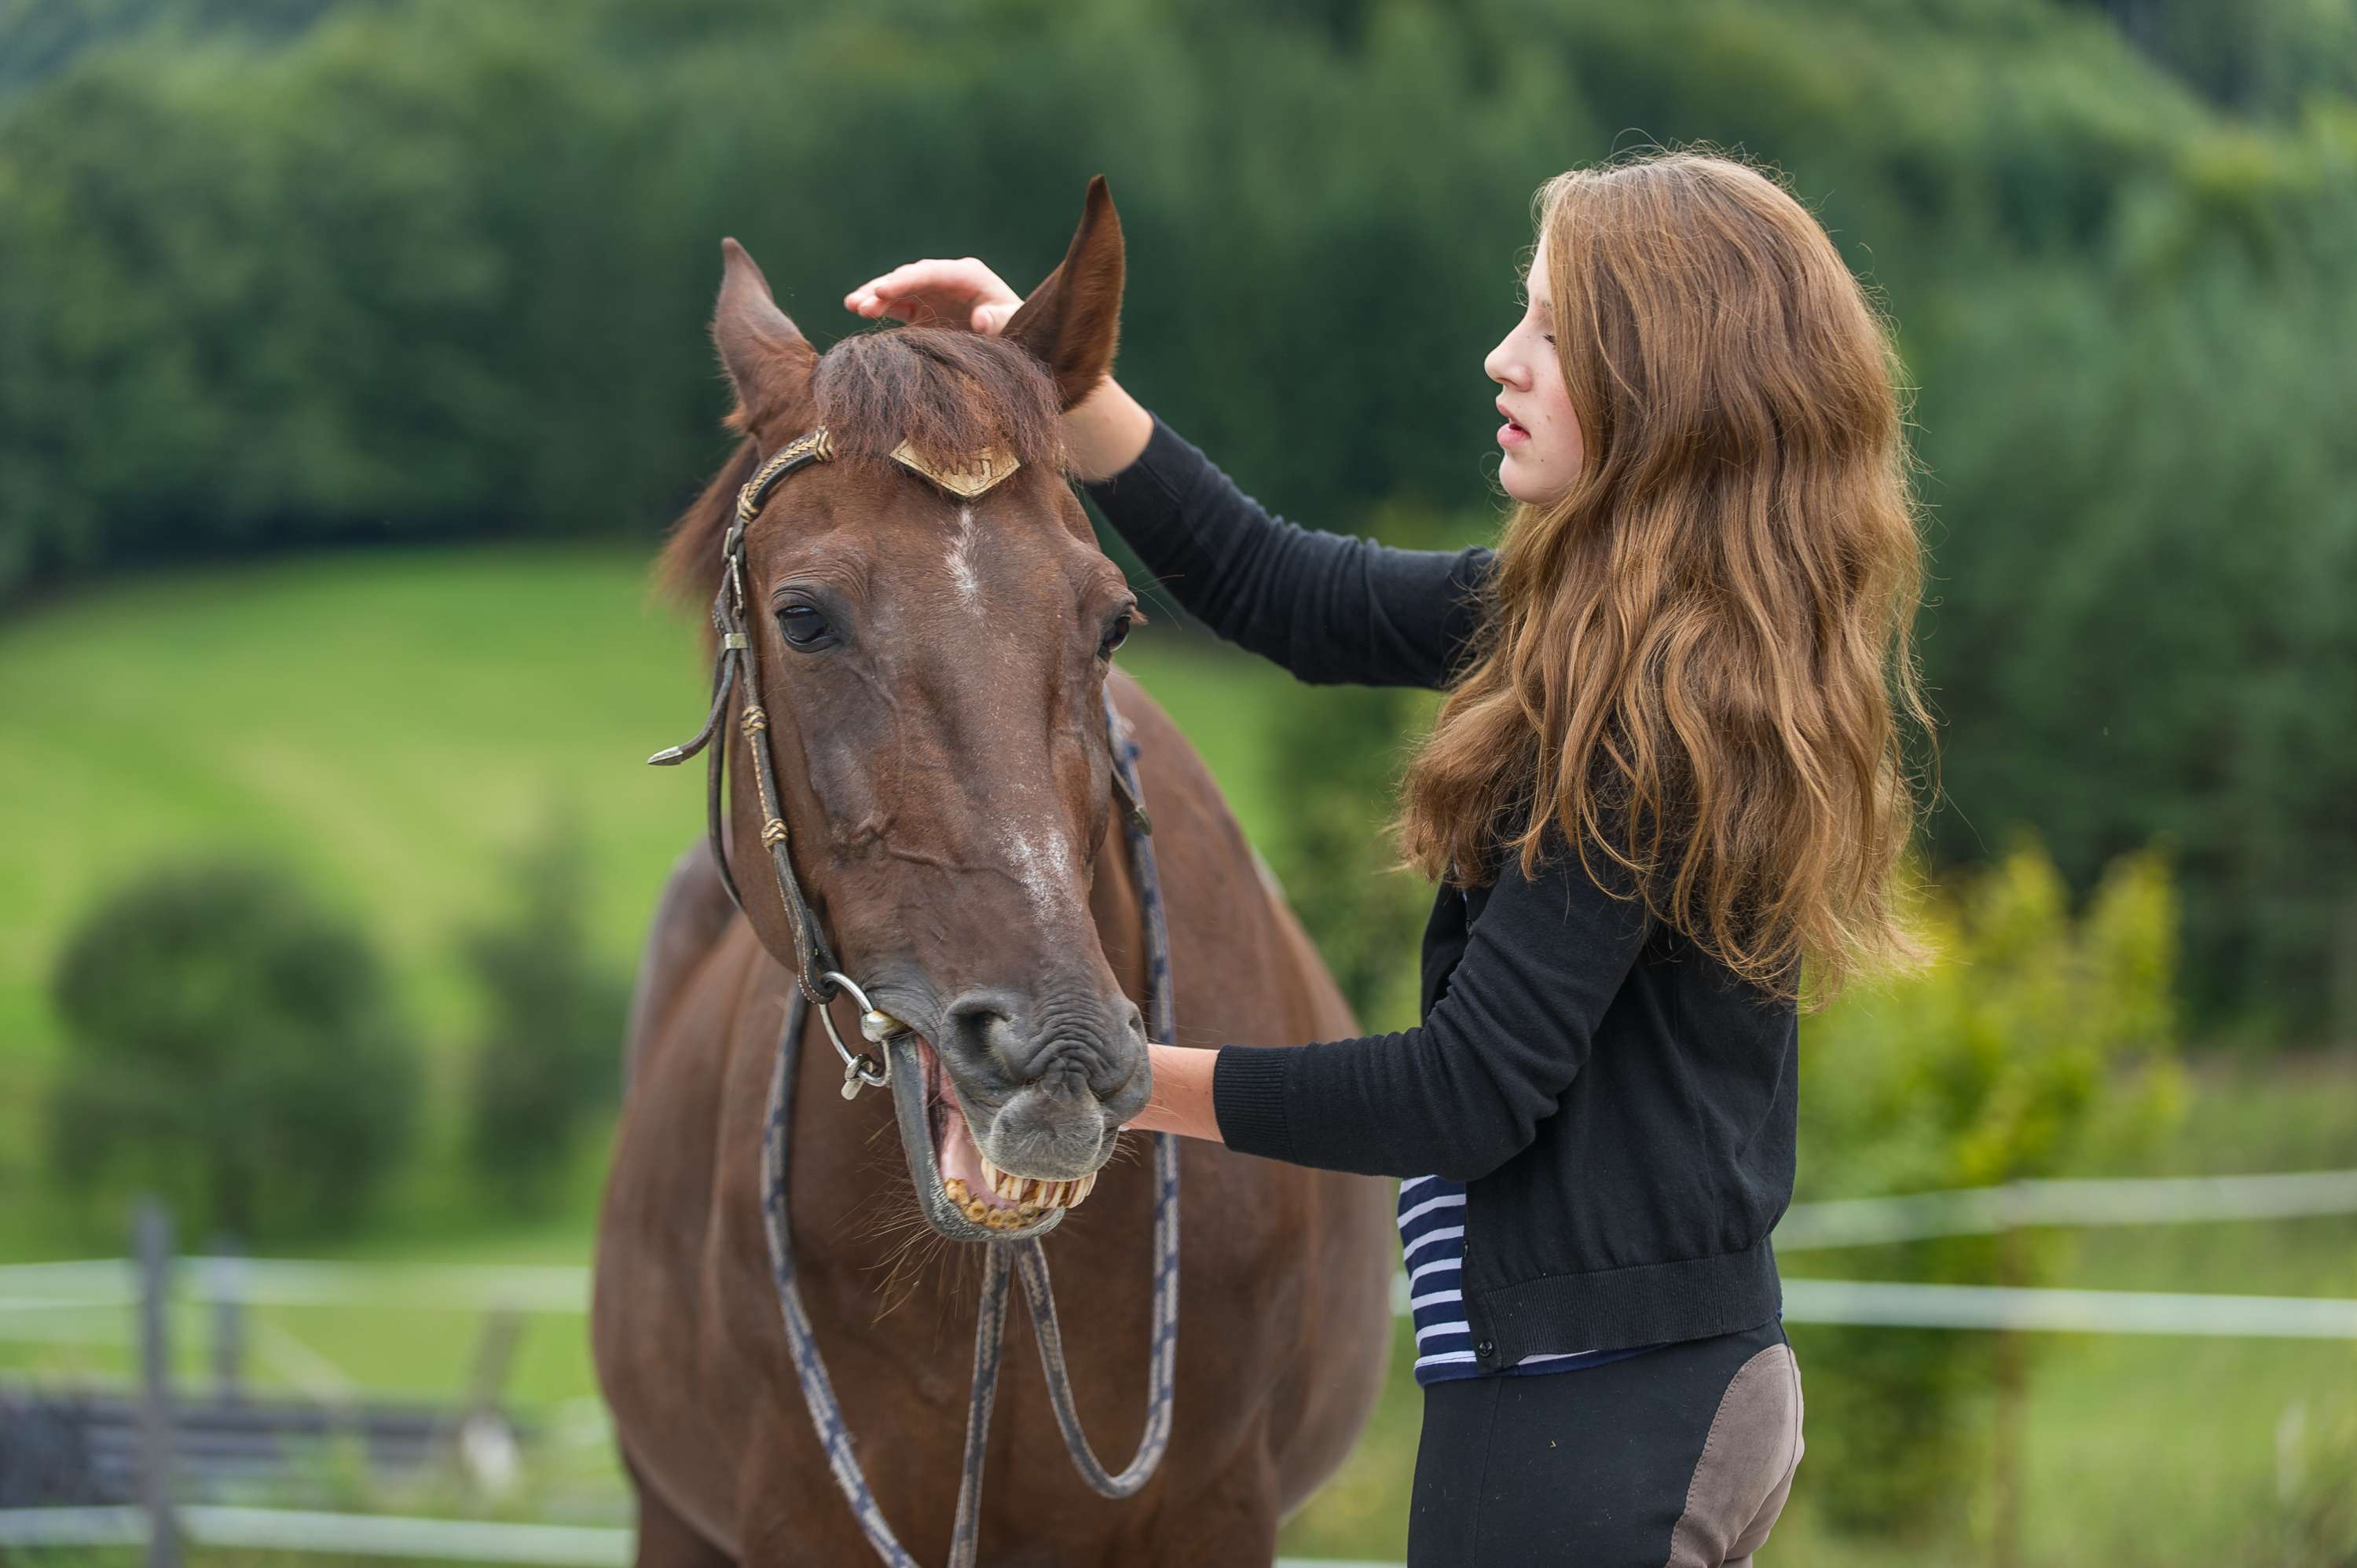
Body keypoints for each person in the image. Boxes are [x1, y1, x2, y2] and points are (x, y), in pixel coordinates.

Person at [844, 148, 1934, 1567]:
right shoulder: (1591, 633)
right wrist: (1058, 386)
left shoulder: (1645, 723)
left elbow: (1462, 1093)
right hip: (1596, 1379)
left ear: (1670, 382)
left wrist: (1099, 1077)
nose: (1505, 358)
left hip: (1601, 1402)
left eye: (1553, 329)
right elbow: (1280, 591)